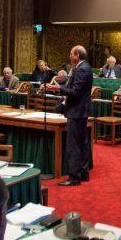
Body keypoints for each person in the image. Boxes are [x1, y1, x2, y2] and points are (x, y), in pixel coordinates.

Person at [46, 45, 93, 186]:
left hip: (76, 111)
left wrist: (59, 88)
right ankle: (83, 173)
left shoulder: (81, 69)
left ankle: (74, 177)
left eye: (71, 53)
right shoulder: (85, 67)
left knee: (74, 145)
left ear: (77, 55)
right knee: (83, 143)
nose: (69, 56)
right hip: (81, 111)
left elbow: (76, 91)